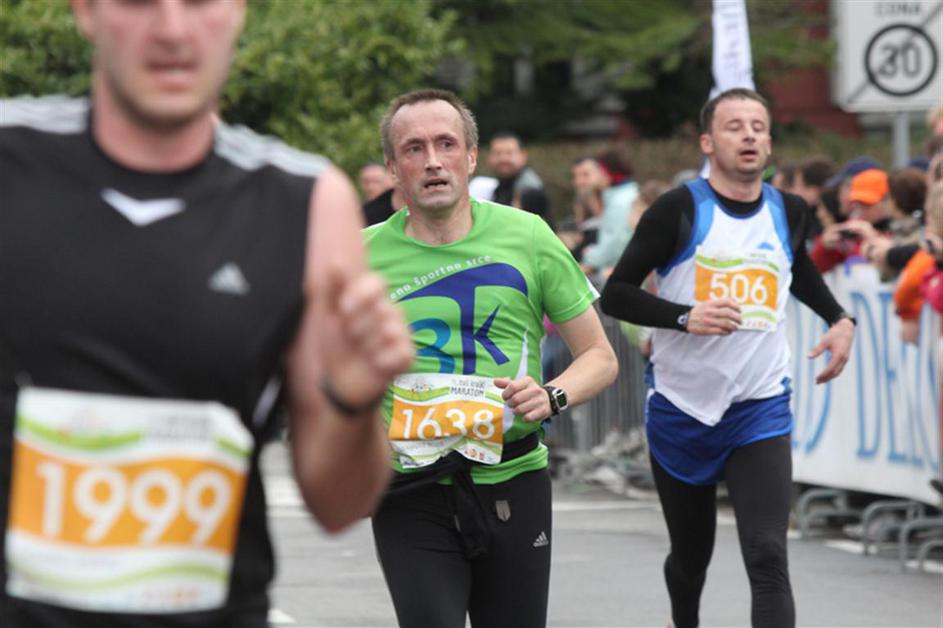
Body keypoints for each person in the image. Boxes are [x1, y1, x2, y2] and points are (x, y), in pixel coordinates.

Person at [0, 1, 414, 627]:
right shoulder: (11, 163)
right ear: (86, 11)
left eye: (199, 1)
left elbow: (340, 506)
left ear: (238, 11)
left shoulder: (306, 204)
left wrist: (356, 402)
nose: (172, 29)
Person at [601, 88, 856, 628]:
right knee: (691, 558)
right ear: (707, 142)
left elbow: (797, 269)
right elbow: (616, 294)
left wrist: (839, 318)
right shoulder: (679, 209)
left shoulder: (790, 211)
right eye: (735, 126)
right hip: (683, 406)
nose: (749, 136)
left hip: (758, 406)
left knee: (767, 554)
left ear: (770, 142)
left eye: (758, 127)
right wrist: (684, 316)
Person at [364, 88, 618, 628]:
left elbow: (599, 356)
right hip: (410, 489)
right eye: (413, 148)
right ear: (392, 167)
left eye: (446, 144)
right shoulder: (358, 256)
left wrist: (551, 396)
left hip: (513, 479)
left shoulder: (528, 236)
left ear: (472, 157)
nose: (433, 161)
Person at [581, 149, 639, 282]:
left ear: (607, 173)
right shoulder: (622, 197)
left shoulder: (620, 203)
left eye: (599, 170)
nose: (596, 175)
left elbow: (613, 245)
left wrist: (589, 255)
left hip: (618, 275)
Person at [487, 132, 553, 227]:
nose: (503, 158)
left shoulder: (529, 189)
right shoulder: (501, 185)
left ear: (523, 156)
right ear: (489, 158)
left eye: (509, 153)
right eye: (497, 153)